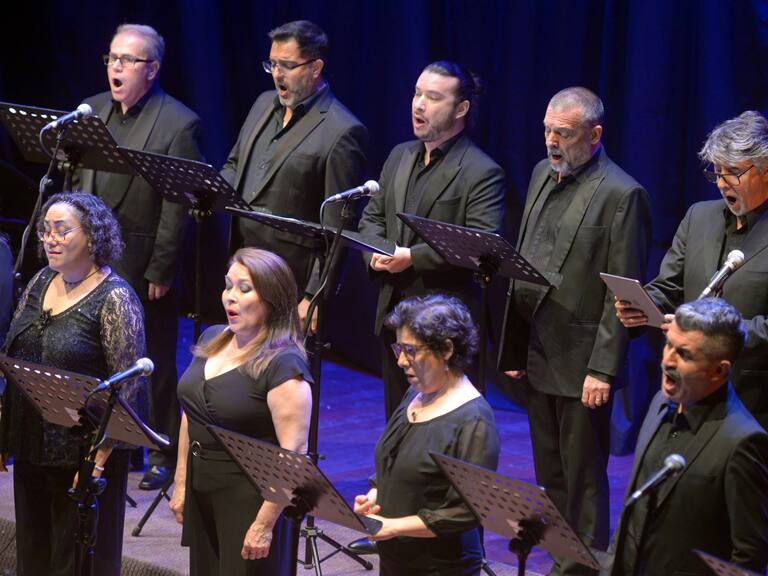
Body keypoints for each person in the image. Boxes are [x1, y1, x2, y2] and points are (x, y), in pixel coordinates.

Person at [497, 87, 652, 575]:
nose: (551, 141)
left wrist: (603, 369)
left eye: (563, 133)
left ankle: (584, 567)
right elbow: (527, 262)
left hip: (583, 360)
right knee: (550, 473)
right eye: (547, 130)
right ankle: (563, 562)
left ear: (594, 134)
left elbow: (621, 292)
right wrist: (516, 346)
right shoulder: (542, 173)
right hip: (540, 350)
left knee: (583, 479)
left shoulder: (622, 194)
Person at [74, 23, 205, 490]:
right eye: (112, 58)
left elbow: (177, 201)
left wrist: (162, 266)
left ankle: (162, 451)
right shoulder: (92, 110)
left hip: (144, 261)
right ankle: (118, 446)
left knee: (155, 361)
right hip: (93, 259)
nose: (116, 67)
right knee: (100, 354)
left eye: (127, 60)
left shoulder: (178, 122)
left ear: (151, 69)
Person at [0, 192, 146, 576]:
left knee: (76, 564)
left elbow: (127, 393)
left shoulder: (116, 299)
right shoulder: (40, 280)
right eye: (46, 230)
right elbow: (13, 357)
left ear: (93, 236)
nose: (50, 239)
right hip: (31, 446)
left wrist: (97, 465)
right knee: (33, 558)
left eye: (62, 230)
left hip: (82, 460)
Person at [358, 61, 505, 421]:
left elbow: (480, 244)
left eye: (433, 97)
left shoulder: (482, 171)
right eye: (417, 93)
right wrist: (375, 253)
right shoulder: (400, 155)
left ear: (461, 108)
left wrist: (412, 256)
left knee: (443, 423)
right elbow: (372, 219)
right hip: (395, 315)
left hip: (444, 327)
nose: (419, 104)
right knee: (398, 418)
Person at [617, 110, 768, 429]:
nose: (722, 183)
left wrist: (717, 336)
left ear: (765, 170)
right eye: (717, 173)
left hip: (755, 400)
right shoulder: (699, 217)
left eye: (733, 173)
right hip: (689, 394)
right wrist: (643, 306)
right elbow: (669, 287)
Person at [169, 248, 312, 576]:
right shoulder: (212, 338)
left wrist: (264, 523)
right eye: (228, 285)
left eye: (244, 289)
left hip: (251, 498)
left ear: (272, 300)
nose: (230, 296)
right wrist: (181, 482)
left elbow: (294, 455)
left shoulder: (284, 364)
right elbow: (191, 414)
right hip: (203, 486)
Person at [221, 20, 368, 331]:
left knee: (278, 360)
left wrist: (314, 296)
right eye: (272, 64)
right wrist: (212, 190)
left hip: (289, 279)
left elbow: (338, 228)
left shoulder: (342, 131)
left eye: (287, 65)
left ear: (315, 68)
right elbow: (235, 163)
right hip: (242, 265)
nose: (277, 74)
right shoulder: (264, 103)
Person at [606, 298, 768, 575]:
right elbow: (634, 512)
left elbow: (749, 554)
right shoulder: (660, 403)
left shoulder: (743, 441)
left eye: (684, 354)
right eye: (668, 345)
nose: (667, 361)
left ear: (720, 370)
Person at [353, 294, 500, 575]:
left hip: (440, 566)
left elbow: (464, 512)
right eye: (399, 348)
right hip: (397, 556)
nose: (400, 361)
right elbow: (394, 462)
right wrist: (375, 494)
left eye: (410, 350)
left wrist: (394, 526)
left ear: (446, 350)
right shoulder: (414, 395)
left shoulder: (474, 420)